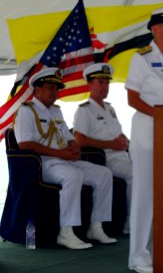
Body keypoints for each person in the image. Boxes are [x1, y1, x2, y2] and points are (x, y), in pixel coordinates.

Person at [13, 67, 117, 250]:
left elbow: (69, 137)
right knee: (72, 176)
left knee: (104, 174)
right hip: (42, 164)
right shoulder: (26, 111)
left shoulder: (56, 111)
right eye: (50, 88)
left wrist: (74, 146)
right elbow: (25, 145)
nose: (54, 92)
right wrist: (60, 154)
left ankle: (96, 226)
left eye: (56, 88)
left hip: (65, 160)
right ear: (37, 89)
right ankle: (66, 232)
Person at [125, 6, 163, 273]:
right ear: (155, 30)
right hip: (147, 136)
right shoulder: (141, 58)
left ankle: (158, 248)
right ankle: (138, 255)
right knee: (144, 196)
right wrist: (162, 117)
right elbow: (132, 98)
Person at [73, 63, 132, 234]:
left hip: (122, 155)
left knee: (153, 167)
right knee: (136, 174)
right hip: (105, 158)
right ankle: (130, 222)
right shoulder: (84, 110)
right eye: (100, 82)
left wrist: (125, 142)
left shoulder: (110, 109)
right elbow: (79, 140)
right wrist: (111, 145)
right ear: (89, 85)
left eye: (107, 83)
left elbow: (118, 135)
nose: (105, 87)